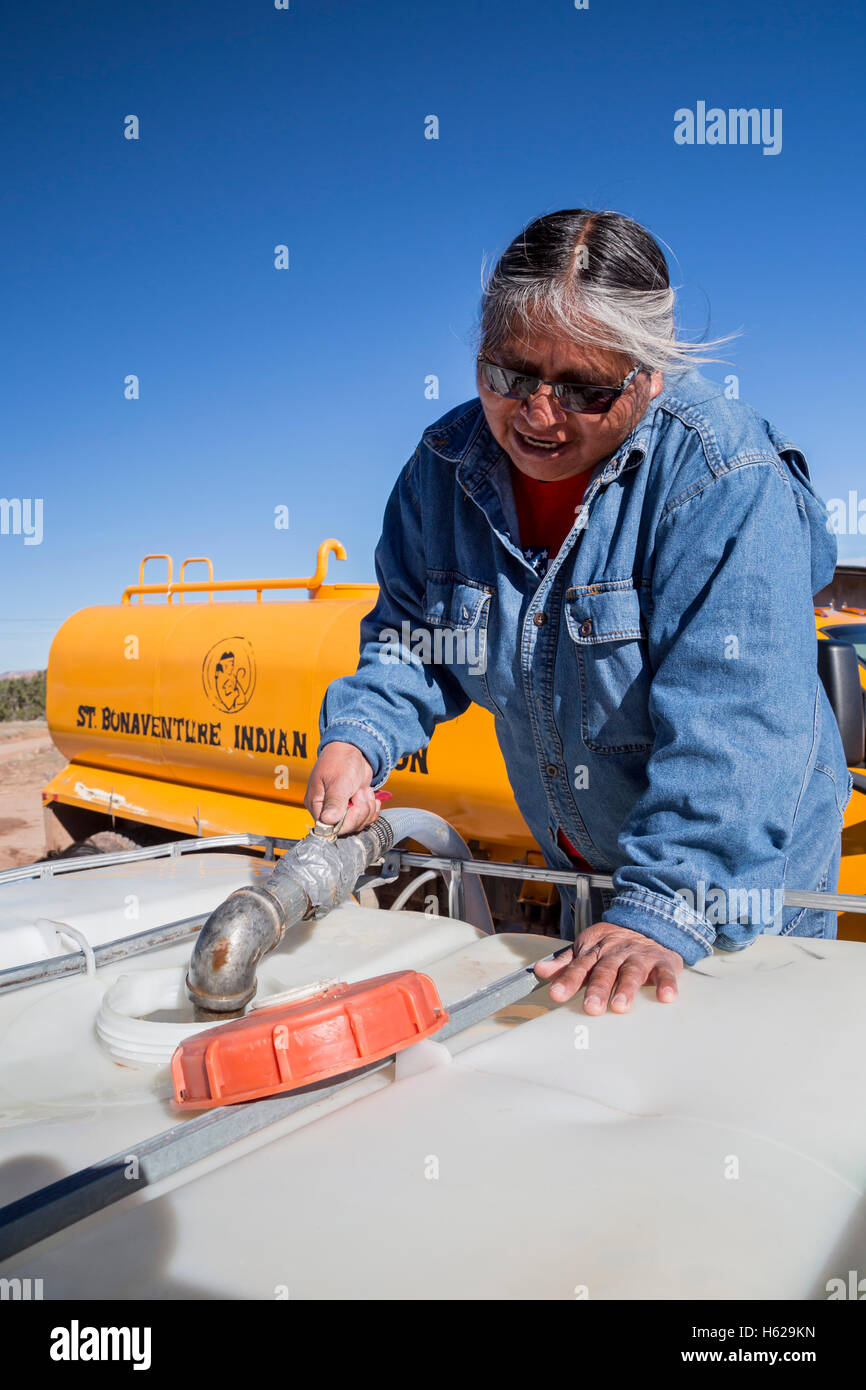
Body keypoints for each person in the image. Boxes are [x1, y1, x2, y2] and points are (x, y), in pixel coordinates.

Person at [304, 208, 851, 1015]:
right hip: (586, 869)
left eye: (585, 389)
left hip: (735, 887)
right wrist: (362, 735)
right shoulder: (442, 472)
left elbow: (735, 722)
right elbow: (417, 637)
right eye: (510, 374)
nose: (538, 415)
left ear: (651, 374)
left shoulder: (723, 479)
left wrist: (668, 901)